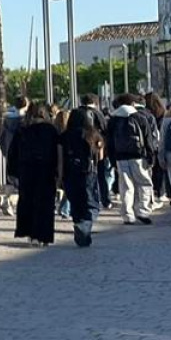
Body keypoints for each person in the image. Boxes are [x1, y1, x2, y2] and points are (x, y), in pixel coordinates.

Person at [10, 102, 62, 246]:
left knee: (28, 201)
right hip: (46, 170)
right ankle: (43, 236)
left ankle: (31, 234)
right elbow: (57, 152)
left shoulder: (22, 130)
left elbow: (13, 152)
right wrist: (59, 173)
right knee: (45, 204)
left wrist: (12, 172)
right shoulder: (51, 130)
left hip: (26, 170)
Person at [104, 94, 157, 225]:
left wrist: (112, 160)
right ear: (132, 104)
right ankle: (143, 211)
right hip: (138, 157)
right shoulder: (140, 117)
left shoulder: (113, 120)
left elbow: (109, 142)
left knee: (126, 187)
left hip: (120, 158)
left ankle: (128, 215)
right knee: (144, 183)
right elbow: (148, 139)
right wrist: (151, 156)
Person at [61, 95, 105, 247]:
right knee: (91, 202)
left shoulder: (64, 136)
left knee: (76, 202)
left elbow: (60, 156)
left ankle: (80, 227)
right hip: (88, 171)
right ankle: (85, 226)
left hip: (69, 171)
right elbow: (100, 157)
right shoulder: (92, 134)